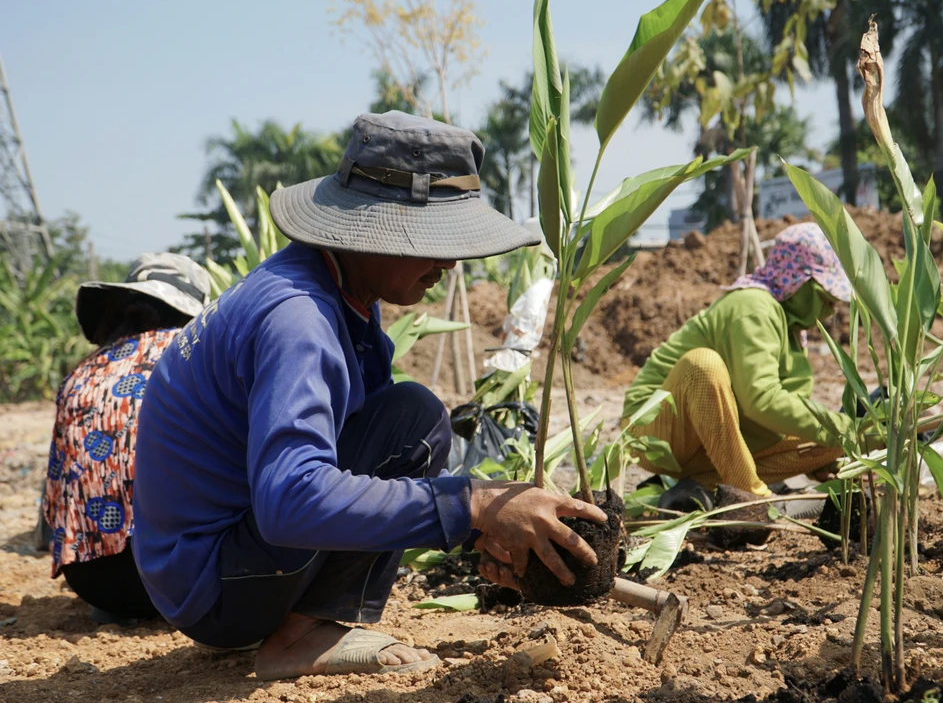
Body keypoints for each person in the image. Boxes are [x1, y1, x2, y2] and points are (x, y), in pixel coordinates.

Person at [132, 111, 607, 682]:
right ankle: (299, 636)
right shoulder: (299, 320)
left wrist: (480, 532)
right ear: (374, 230)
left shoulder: (339, 292)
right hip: (213, 586)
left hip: (221, 562)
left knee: (412, 418)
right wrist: (471, 505)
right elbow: (290, 501)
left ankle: (307, 620)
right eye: (435, 242)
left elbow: (364, 455)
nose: (450, 263)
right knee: (417, 423)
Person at [622, 222, 854, 506]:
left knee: (832, 443)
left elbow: (786, 411)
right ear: (798, 281)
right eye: (825, 295)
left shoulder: (791, 328)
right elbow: (762, 399)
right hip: (655, 430)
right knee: (702, 365)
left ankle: (697, 492)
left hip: (708, 440)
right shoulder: (753, 307)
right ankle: (750, 500)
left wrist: (835, 447)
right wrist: (844, 427)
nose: (833, 307)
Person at [43, 253, 211, 624]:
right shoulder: (197, 354)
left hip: (95, 583)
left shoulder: (81, 374)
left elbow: (55, 502)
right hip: (183, 576)